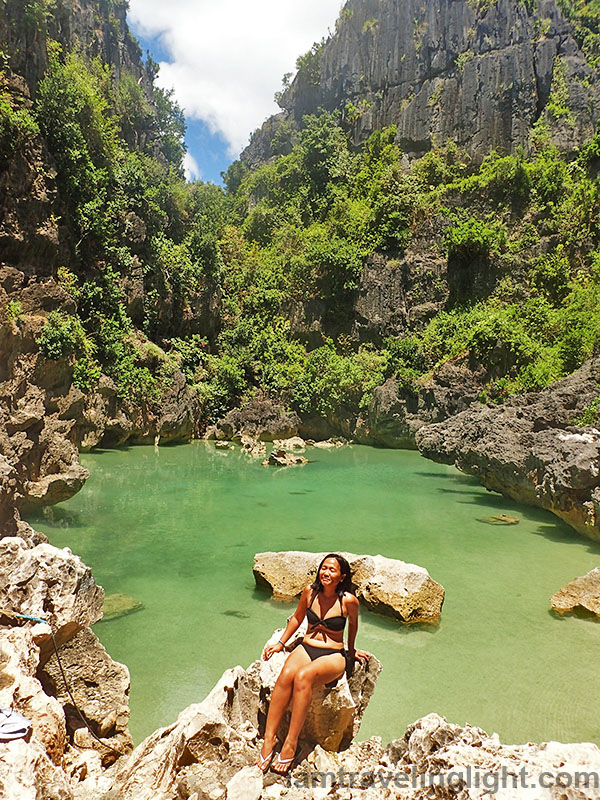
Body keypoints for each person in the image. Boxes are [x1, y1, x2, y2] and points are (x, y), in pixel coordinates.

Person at [256, 553, 369, 775]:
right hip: (307, 647)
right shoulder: (310, 592)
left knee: (304, 677)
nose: (326, 573)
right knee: (286, 674)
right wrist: (281, 643)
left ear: (341, 576)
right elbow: (297, 617)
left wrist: (351, 652)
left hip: (333, 655)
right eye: (324, 568)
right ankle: (269, 739)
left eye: (332, 570)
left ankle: (290, 742)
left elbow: (353, 627)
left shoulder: (348, 601)